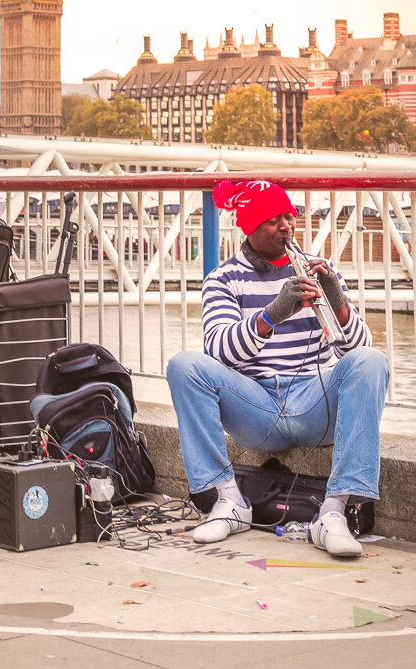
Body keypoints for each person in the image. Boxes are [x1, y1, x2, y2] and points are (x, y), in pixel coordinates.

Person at [166, 179, 389, 558]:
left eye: (289, 216)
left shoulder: (321, 269)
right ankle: (228, 500)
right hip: (257, 406)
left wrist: (336, 300)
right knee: (183, 365)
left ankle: (334, 512)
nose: (286, 225)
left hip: (312, 401)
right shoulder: (222, 279)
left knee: (372, 361)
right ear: (249, 228)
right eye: (272, 220)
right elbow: (220, 351)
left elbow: (357, 347)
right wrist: (271, 315)